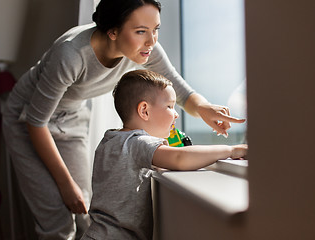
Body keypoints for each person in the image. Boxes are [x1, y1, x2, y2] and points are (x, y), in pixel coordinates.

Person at [2, 0, 245, 239]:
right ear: (113, 32)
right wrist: (66, 186)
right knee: (57, 218)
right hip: (28, 120)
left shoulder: (145, 50)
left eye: (155, 29)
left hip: (72, 117)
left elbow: (180, 92)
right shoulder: (71, 54)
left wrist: (205, 109)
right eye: (141, 31)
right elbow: (36, 121)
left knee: (84, 208)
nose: (151, 41)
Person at [81, 69, 248, 240]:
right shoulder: (137, 142)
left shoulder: (109, 140)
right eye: (169, 106)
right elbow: (179, 158)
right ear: (144, 110)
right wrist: (231, 150)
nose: (176, 113)